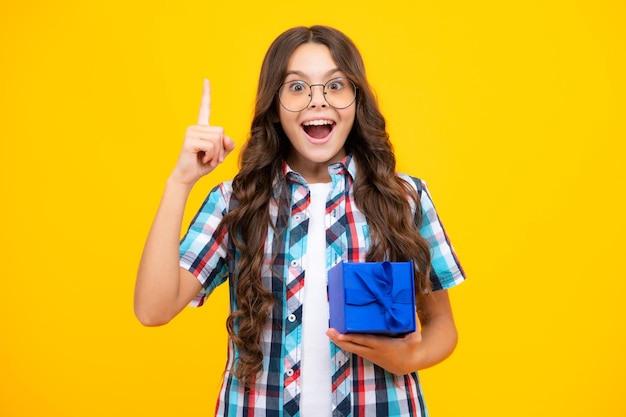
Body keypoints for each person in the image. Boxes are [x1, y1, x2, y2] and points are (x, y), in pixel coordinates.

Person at [135, 25, 465, 417]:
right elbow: (152, 310)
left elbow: (442, 324)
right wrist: (181, 181)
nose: (317, 102)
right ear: (274, 105)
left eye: (335, 86)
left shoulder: (404, 197)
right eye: (297, 88)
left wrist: (407, 359)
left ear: (357, 100)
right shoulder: (236, 202)